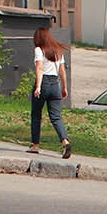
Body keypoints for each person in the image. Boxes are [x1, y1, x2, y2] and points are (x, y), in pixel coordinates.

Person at [28, 26, 71, 159]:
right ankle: (65, 141)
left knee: (36, 115)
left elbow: (40, 68)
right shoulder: (58, 50)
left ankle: (35, 145)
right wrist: (64, 88)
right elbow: (62, 71)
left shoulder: (39, 50)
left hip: (44, 83)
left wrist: (38, 87)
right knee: (56, 117)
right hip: (55, 85)